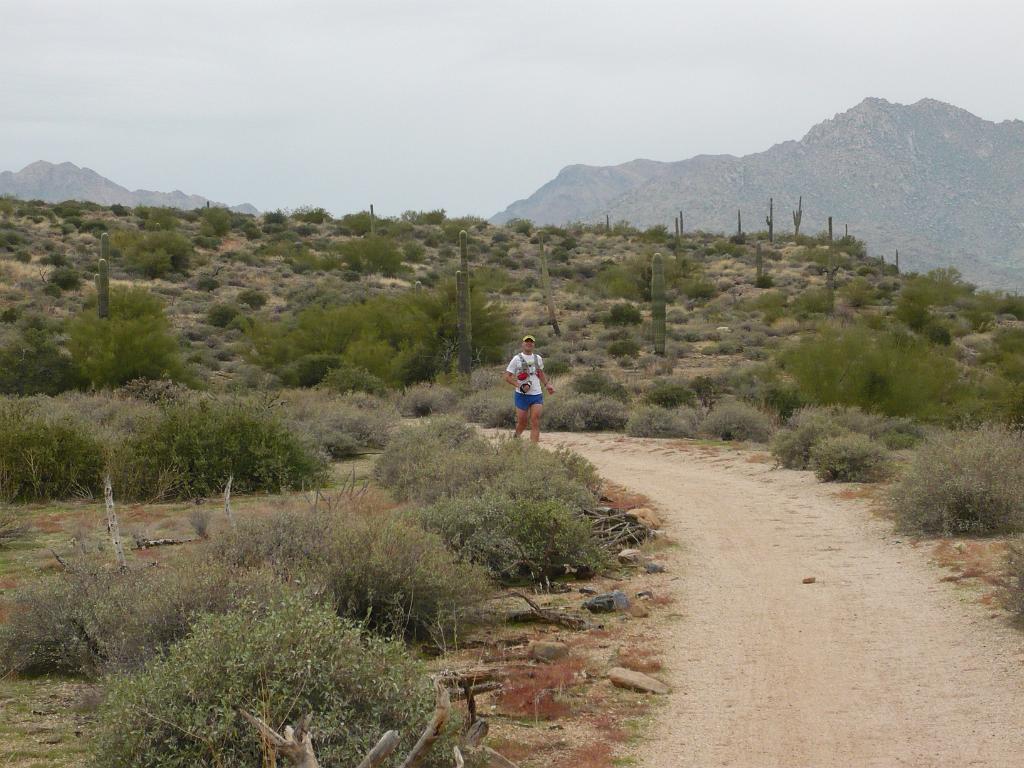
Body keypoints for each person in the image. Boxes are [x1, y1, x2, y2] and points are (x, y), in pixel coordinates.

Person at [504, 334, 555, 443]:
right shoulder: (516, 359)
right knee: (522, 422)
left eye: (531, 342)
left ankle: (533, 449)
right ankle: (515, 440)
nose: (529, 343)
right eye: (526, 341)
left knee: (535, 420)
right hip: (521, 396)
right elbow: (507, 376)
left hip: (536, 394)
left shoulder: (538, 358)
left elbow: (540, 373)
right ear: (523, 344)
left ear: (533, 344)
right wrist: (519, 386)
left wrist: (547, 385)